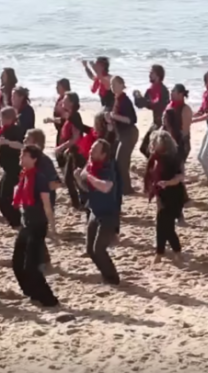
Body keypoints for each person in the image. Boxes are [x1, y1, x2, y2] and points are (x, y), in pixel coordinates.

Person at [12, 145, 58, 307]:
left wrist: (52, 229)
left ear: (34, 159)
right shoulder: (24, 175)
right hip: (27, 224)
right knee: (17, 262)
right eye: (21, 155)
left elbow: (46, 205)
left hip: (38, 226)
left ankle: (48, 299)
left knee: (31, 266)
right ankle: (31, 292)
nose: (21, 158)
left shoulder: (39, 178)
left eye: (24, 156)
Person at [79, 139, 120, 285]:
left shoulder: (107, 169)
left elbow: (106, 187)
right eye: (91, 148)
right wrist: (79, 178)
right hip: (94, 211)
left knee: (99, 249)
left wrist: (88, 177)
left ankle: (113, 279)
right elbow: (87, 188)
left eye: (95, 150)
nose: (90, 151)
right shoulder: (90, 166)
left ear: (103, 155)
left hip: (108, 215)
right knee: (90, 249)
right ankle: (106, 275)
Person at [146, 130, 186, 263]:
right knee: (161, 224)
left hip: (174, 194)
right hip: (161, 194)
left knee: (166, 225)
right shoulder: (154, 158)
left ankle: (172, 252)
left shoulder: (174, 158)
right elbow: (152, 174)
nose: (153, 145)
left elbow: (180, 177)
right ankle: (161, 253)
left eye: (156, 142)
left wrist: (167, 183)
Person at [0, 107, 25, 228]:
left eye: (1, 118)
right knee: (2, 198)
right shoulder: (5, 129)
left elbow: (22, 145)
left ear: (9, 119)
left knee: (3, 199)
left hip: (14, 169)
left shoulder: (15, 130)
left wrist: (7, 143)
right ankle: (16, 221)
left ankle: (17, 222)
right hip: (8, 169)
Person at [55, 92, 89, 210]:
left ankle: (82, 202)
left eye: (65, 100)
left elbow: (76, 137)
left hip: (77, 153)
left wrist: (62, 147)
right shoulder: (71, 115)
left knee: (74, 178)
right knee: (70, 179)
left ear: (71, 103)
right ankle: (79, 203)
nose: (62, 101)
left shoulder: (75, 116)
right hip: (72, 152)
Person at [107, 75, 138, 196]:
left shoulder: (125, 100)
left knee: (121, 161)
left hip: (130, 133)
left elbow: (132, 120)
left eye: (114, 84)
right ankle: (124, 187)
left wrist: (114, 116)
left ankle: (127, 189)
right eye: (111, 85)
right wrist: (110, 120)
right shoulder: (117, 99)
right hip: (122, 133)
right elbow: (117, 118)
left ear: (121, 85)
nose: (112, 87)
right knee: (119, 161)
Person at [135, 64, 170, 158]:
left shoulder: (163, 90)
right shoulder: (150, 89)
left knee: (157, 151)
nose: (149, 75)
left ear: (158, 75)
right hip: (155, 123)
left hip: (164, 124)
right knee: (144, 148)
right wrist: (137, 97)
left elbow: (158, 105)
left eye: (151, 73)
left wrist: (145, 102)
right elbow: (142, 104)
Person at [163, 84, 193, 168]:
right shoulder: (169, 106)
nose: (171, 93)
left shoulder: (186, 109)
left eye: (173, 91)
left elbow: (184, 132)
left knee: (177, 170)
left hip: (180, 144)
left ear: (180, 94)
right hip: (168, 142)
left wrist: (174, 145)